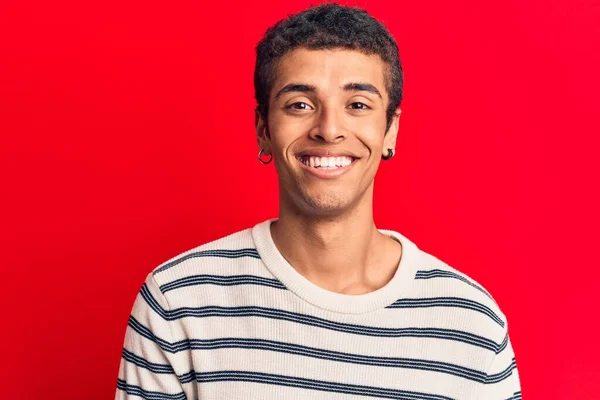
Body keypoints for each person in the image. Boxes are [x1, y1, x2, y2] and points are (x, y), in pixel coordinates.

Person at [115, 3, 521, 399]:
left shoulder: (470, 325)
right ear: (263, 129)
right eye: (300, 105)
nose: (328, 129)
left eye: (358, 105)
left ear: (390, 130)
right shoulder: (178, 303)